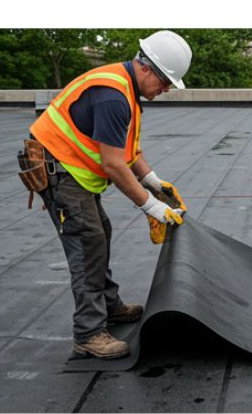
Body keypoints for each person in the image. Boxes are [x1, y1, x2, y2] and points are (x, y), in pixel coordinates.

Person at [25, 31, 191, 359]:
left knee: (100, 232)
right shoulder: (113, 96)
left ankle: (109, 306)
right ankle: (88, 333)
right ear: (146, 68)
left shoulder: (126, 87)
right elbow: (113, 164)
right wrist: (152, 206)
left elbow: (127, 150)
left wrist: (153, 181)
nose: (166, 89)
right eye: (165, 82)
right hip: (60, 172)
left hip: (71, 169)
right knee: (88, 244)